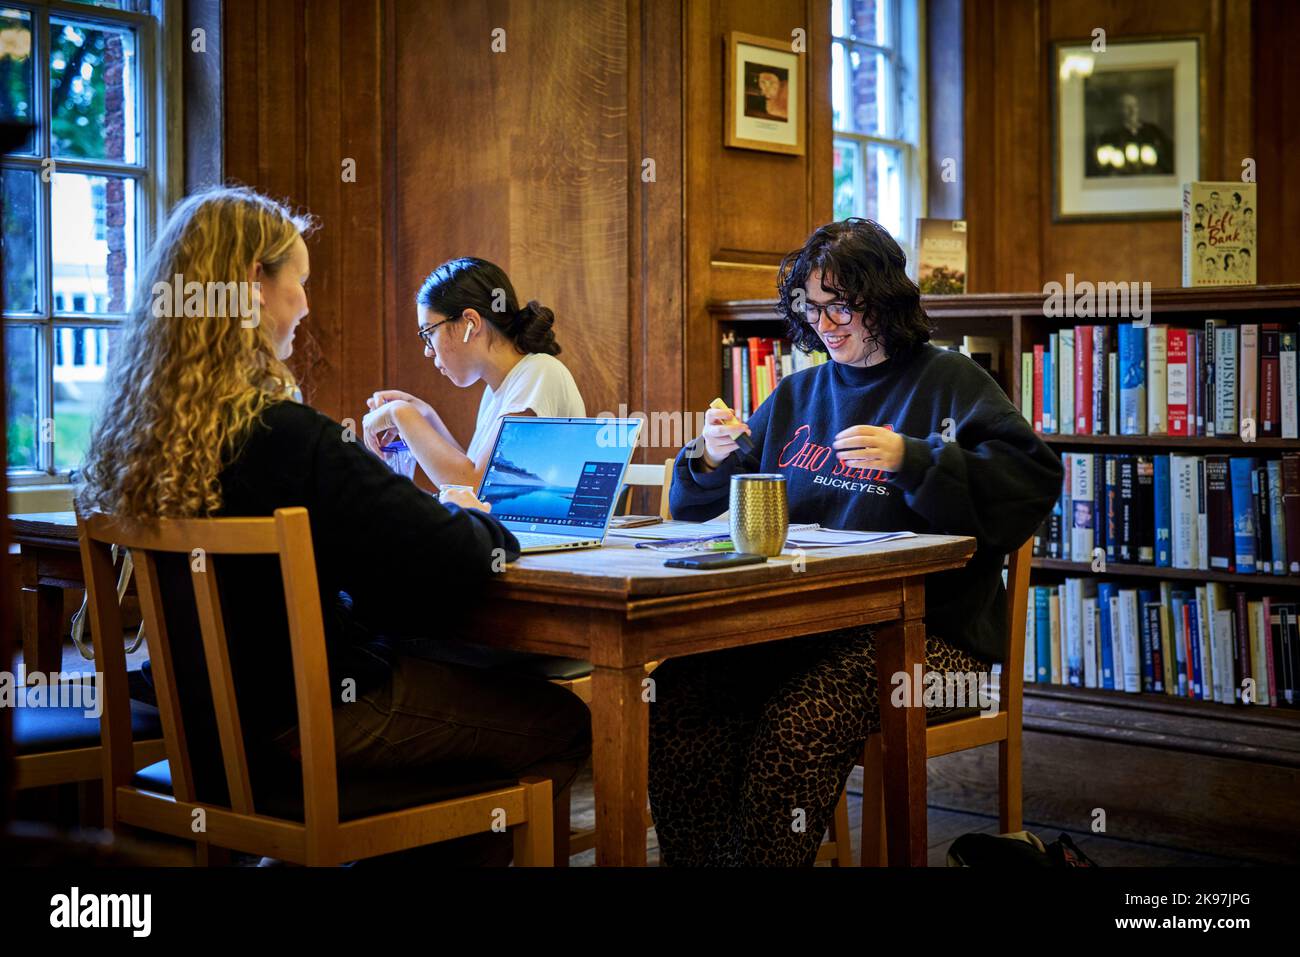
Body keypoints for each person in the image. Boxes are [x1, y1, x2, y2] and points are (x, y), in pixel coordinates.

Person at [77, 187, 590, 865]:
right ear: (255, 286)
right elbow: (454, 553)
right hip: (304, 731)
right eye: (301, 281)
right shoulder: (286, 436)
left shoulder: (139, 443)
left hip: (200, 738)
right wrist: (472, 520)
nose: (307, 304)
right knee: (559, 721)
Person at [647, 218, 1063, 866]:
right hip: (797, 629)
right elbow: (701, 511)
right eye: (811, 308)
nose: (826, 323)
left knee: (797, 723)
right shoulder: (797, 393)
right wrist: (708, 457)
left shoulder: (948, 381)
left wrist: (917, 458)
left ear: (885, 299)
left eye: (841, 304)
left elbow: (1031, 483)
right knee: (682, 691)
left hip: (927, 640)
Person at [362, 257, 585, 490]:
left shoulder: (540, 373)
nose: (428, 351)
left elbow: (478, 486)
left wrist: (401, 414)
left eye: (428, 333)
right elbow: (470, 474)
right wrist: (425, 415)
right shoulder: (496, 391)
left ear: (471, 322)